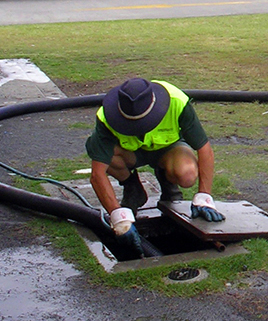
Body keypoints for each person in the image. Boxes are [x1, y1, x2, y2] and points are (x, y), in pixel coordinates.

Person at [85, 78, 225, 238]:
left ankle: (168, 183)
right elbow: (97, 174)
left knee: (187, 174)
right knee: (103, 155)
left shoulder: (176, 102)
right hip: (129, 153)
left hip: (169, 150)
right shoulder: (106, 116)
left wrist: (204, 197)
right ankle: (133, 188)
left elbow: (204, 149)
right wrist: (118, 217)